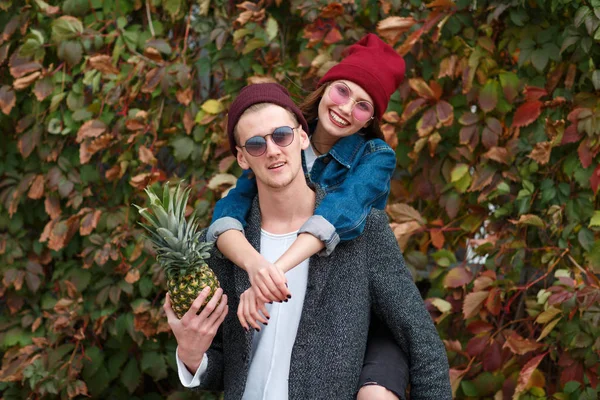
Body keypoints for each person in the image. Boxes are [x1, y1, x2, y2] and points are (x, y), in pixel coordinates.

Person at [164, 83, 452, 399]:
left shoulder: (363, 232)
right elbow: (227, 362)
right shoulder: (228, 245)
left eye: (282, 135)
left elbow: (422, 343)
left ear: (303, 136)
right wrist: (192, 356)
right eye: (256, 144)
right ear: (242, 158)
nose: (272, 150)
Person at [209, 34, 411, 399]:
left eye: (364, 106)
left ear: (370, 120)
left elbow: (340, 213)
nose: (347, 109)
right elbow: (229, 211)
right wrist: (256, 266)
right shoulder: (278, 140)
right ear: (325, 86)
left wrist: (271, 273)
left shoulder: (375, 156)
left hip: (364, 308)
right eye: (343, 92)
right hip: (307, 307)